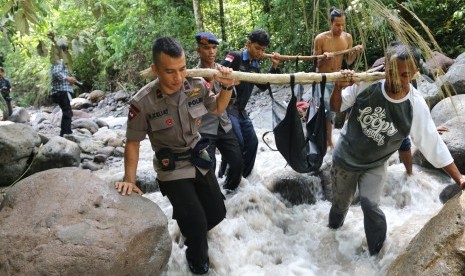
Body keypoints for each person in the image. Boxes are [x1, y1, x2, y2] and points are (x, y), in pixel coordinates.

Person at [328, 41, 465, 256]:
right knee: (339, 205)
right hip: (345, 158)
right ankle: (331, 234)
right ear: (385, 67)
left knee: (370, 206)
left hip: (376, 164)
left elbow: (432, 144)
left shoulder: (415, 105)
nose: (397, 80)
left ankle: (376, 255)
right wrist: (338, 86)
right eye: (392, 73)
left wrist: (459, 179)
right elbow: (336, 107)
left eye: (404, 75)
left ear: (414, 74)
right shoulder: (367, 83)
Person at [115, 37, 235, 275]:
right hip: (172, 169)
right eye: (170, 72)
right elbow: (133, 143)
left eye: (182, 69)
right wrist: (129, 179)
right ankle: (198, 264)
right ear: (155, 70)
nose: (178, 78)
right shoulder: (142, 102)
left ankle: (190, 225)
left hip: (199, 159)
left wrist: (228, 86)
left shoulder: (197, 85)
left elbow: (218, 108)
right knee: (199, 227)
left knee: (218, 212)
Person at [220, 29, 281, 177]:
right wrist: (230, 79)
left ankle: (243, 179)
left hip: (241, 110)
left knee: (252, 143)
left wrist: (274, 67)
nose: (260, 52)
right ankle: (224, 178)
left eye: (263, 50)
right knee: (237, 144)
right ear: (248, 44)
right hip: (228, 108)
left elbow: (263, 85)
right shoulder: (235, 57)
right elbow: (219, 73)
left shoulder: (255, 65)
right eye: (257, 48)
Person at [194, 32, 243, 191]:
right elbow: (198, 106)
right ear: (198, 50)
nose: (211, 52)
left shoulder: (223, 70)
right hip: (205, 128)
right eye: (206, 48)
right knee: (209, 168)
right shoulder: (193, 77)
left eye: (214, 48)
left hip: (224, 125)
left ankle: (229, 192)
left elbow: (232, 98)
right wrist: (210, 83)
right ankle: (213, 197)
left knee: (237, 163)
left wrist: (230, 84)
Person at [313, 6, 364, 149]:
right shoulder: (321, 39)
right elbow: (315, 63)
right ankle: (328, 141)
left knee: (342, 107)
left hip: (338, 79)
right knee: (326, 110)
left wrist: (355, 51)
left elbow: (349, 61)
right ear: (331, 23)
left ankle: (341, 138)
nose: (340, 28)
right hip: (323, 79)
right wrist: (323, 58)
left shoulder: (347, 37)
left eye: (342, 24)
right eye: (337, 25)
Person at [50, 50, 77, 137]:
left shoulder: (60, 61)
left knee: (67, 111)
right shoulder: (60, 60)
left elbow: (58, 74)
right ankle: (66, 133)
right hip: (61, 91)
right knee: (67, 111)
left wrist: (69, 80)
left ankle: (65, 132)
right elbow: (56, 73)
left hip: (61, 91)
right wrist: (67, 78)